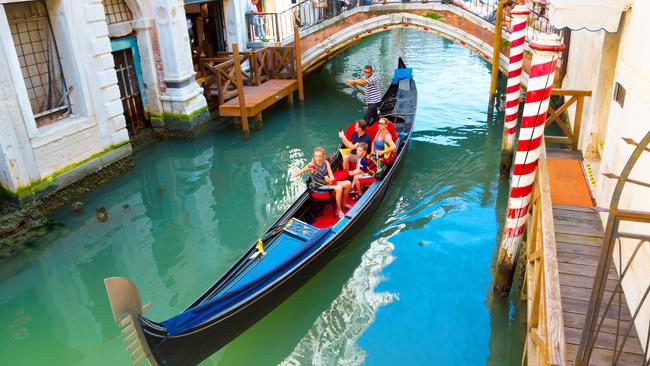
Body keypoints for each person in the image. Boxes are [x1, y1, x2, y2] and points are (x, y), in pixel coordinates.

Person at [294, 147, 352, 218]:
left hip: (327, 183)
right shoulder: (312, 165)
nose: (317, 158)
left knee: (348, 183)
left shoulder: (326, 163)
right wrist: (306, 168)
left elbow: (331, 176)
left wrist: (330, 180)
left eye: (319, 156)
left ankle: (344, 204)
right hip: (318, 187)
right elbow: (296, 174)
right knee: (339, 188)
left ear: (323, 156)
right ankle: (338, 210)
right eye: (316, 156)